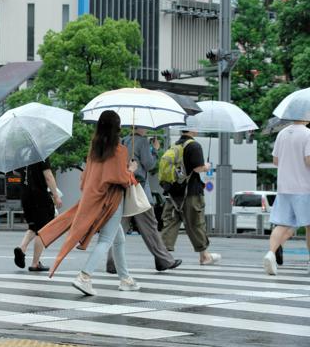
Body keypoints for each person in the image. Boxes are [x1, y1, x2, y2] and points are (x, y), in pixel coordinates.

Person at [38, 110, 141, 295]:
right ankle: (84, 276)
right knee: (106, 240)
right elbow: (121, 178)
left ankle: (125, 278)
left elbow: (86, 178)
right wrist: (131, 169)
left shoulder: (94, 149)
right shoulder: (119, 151)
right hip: (111, 200)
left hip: (93, 198)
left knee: (119, 239)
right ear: (117, 128)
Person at [106, 129, 182, 273]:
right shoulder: (142, 142)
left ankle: (112, 263)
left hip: (124, 188)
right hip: (139, 189)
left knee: (119, 227)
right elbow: (149, 165)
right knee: (150, 226)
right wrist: (154, 149)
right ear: (141, 127)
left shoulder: (123, 141)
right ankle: (163, 260)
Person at [161, 130, 221, 265]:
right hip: (191, 193)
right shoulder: (194, 146)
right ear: (192, 129)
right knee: (196, 223)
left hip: (173, 192)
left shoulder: (176, 145)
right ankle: (204, 256)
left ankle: (162, 256)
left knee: (170, 223)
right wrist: (206, 166)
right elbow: (198, 168)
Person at [263, 121, 310, 275]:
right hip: (304, 187)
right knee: (309, 226)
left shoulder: (282, 134)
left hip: (284, 187)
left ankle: (270, 253)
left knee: (282, 224)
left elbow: (275, 161)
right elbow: (308, 160)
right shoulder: (307, 134)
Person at [13, 159, 62, 272]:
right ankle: (35, 263)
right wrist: (56, 195)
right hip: (39, 196)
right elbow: (48, 176)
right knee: (42, 230)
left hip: (25, 196)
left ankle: (22, 249)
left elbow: (16, 172)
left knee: (33, 226)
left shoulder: (21, 153)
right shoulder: (41, 155)